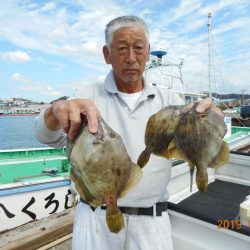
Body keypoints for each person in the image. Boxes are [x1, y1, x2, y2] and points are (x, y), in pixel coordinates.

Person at [34, 15, 223, 250]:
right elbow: (45, 136)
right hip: (94, 220)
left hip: (152, 225)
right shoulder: (85, 96)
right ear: (107, 54)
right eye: (122, 49)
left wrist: (211, 121)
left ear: (147, 52)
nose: (131, 58)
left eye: (138, 48)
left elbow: (193, 141)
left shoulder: (171, 101)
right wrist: (55, 110)